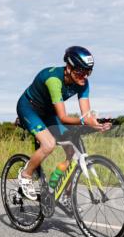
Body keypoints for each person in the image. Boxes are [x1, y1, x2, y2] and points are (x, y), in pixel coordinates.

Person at [16, 46, 110, 199]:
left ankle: (63, 194)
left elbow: (86, 116)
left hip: (48, 112)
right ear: (69, 67)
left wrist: (96, 123)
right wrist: (83, 121)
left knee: (72, 152)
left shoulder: (83, 83)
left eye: (88, 72)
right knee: (49, 144)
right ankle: (26, 175)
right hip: (29, 108)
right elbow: (63, 117)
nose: (84, 76)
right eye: (80, 71)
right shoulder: (54, 80)